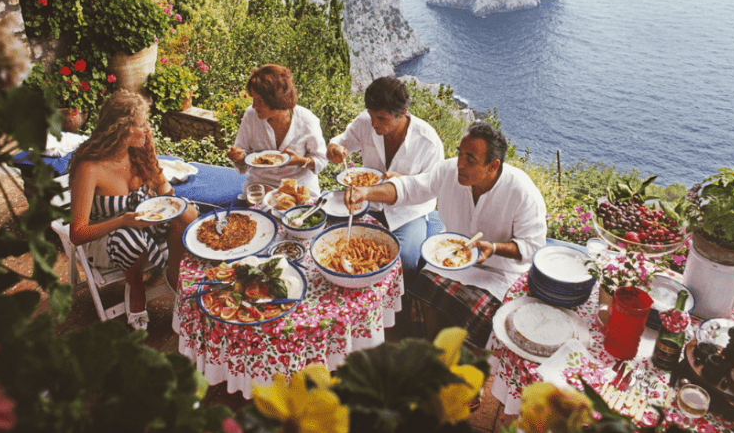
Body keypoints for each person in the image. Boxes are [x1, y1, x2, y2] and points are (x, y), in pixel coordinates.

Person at [344, 120, 546, 349]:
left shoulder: (522, 192)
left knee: (484, 316)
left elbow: (534, 246)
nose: (460, 165)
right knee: (422, 284)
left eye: (471, 160)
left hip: (500, 273)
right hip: (452, 258)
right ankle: (434, 348)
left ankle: (471, 360)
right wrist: (366, 192)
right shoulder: (448, 171)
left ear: (493, 166)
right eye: (460, 155)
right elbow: (410, 188)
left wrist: (495, 248)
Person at [68, 90, 198, 331]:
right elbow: (77, 234)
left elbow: (164, 189)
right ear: (121, 129)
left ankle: (174, 276)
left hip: (141, 222)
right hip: (105, 237)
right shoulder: (89, 169)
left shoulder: (138, 151)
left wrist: (174, 205)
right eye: (142, 124)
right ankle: (136, 288)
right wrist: (122, 221)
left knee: (188, 213)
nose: (148, 129)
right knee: (130, 238)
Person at [327, 75, 445, 275]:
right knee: (341, 245)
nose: (373, 124)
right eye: (371, 116)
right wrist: (333, 148)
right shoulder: (366, 122)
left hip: (408, 213)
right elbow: (343, 141)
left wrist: (400, 184)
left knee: (405, 260)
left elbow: (429, 188)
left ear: (403, 112)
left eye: (381, 118)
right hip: (369, 205)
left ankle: (399, 303)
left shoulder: (428, 142)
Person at [227, 64, 327, 196]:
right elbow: (243, 153)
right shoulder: (251, 115)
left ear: (277, 100)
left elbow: (321, 160)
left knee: (294, 215)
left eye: (260, 101)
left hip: (298, 188)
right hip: (261, 186)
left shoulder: (307, 120)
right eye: (253, 99)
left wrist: (299, 161)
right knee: (261, 214)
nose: (254, 105)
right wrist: (238, 158)